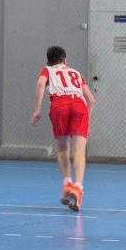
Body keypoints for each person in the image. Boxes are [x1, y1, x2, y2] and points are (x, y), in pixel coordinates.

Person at [31, 46, 96, 211]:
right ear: (65, 60)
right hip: (79, 105)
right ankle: (78, 188)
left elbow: (40, 84)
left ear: (48, 62)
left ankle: (67, 183)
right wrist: (86, 117)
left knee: (62, 149)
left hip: (59, 105)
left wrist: (37, 109)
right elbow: (91, 100)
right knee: (79, 151)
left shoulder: (47, 70)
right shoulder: (76, 73)